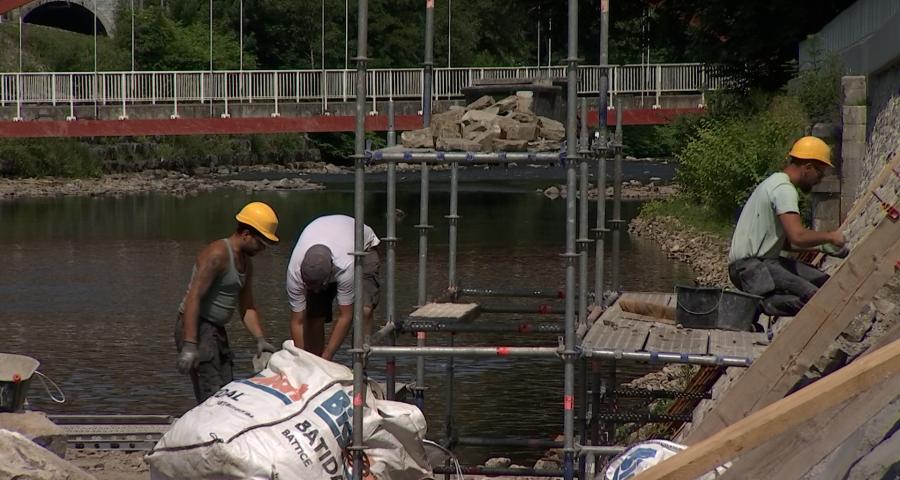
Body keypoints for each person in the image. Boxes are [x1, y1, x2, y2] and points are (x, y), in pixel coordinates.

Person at [728, 136, 847, 317]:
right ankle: (760, 306)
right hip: (752, 267)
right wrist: (830, 236)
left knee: (825, 284)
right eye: (820, 174)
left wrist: (821, 246)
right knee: (815, 297)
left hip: (761, 263)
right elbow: (797, 236)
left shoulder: (774, 183)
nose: (819, 180)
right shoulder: (784, 190)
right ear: (807, 168)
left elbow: (783, 242)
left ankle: (761, 305)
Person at [175, 201, 280, 403]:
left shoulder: (246, 263)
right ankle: (207, 431)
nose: (262, 249)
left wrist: (260, 339)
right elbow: (194, 297)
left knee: (227, 389)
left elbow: (247, 305)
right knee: (211, 391)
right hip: (196, 326)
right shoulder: (217, 254)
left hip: (216, 331)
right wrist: (190, 344)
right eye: (260, 242)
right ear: (246, 233)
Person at [286, 214, 381, 361]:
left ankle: (360, 367)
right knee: (314, 316)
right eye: (311, 287)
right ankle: (313, 363)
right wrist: (301, 360)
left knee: (364, 311)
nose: (316, 291)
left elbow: (346, 315)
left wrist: (328, 356)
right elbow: (297, 321)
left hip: (363, 248)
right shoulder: (294, 271)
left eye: (319, 287)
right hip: (328, 242)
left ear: (331, 273)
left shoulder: (345, 266)